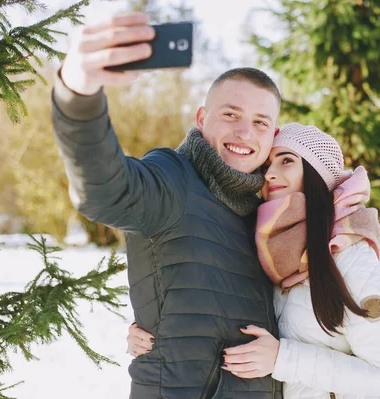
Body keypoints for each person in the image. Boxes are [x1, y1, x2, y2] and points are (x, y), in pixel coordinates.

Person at [51, 12, 283, 398]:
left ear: (273, 134)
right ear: (201, 118)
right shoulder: (172, 179)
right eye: (230, 115)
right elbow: (106, 188)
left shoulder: (266, 212)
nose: (245, 132)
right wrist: (77, 93)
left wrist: (284, 356)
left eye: (260, 122)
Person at [129, 123, 380, 398]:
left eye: (287, 161)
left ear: (317, 176)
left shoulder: (350, 258)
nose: (271, 174)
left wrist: (282, 358)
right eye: (266, 167)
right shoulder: (264, 249)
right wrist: (155, 330)